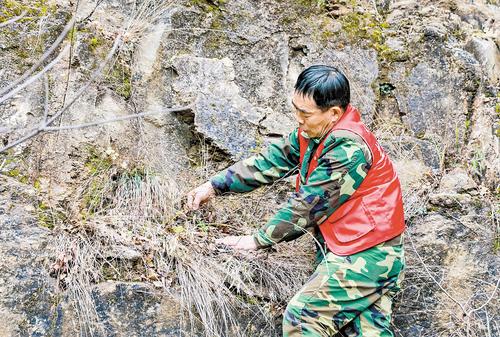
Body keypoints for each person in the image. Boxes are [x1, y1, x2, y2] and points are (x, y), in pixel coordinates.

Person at [186, 65, 406, 337]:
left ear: (334, 113)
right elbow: (269, 162)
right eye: (295, 109)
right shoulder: (312, 134)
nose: (298, 119)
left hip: (368, 255)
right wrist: (215, 185)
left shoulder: (350, 148)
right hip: (359, 251)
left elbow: (310, 204)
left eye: (305, 113)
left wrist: (257, 240)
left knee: (304, 317)